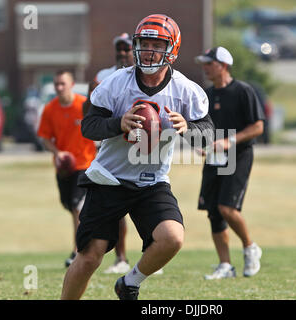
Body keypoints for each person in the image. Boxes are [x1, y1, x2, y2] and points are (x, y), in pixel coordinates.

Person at [60, 14, 214, 300]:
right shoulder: (116, 84)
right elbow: (89, 126)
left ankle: (129, 282)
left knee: (172, 238)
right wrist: (118, 124)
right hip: (109, 178)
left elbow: (207, 134)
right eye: (144, 44)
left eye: (157, 45)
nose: (148, 50)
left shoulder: (186, 90)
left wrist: (188, 128)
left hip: (151, 181)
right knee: (90, 256)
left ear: (172, 50)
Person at [194, 47, 265, 280]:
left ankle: (249, 247)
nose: (205, 67)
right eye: (203, 63)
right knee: (214, 212)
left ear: (223, 65)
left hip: (239, 155)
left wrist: (229, 141)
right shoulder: (206, 94)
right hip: (215, 157)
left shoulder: (243, 91)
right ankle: (225, 265)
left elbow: (258, 126)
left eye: (209, 63)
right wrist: (201, 144)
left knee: (228, 208)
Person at [82, 33, 135, 275]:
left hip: (141, 150)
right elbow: (88, 111)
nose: (123, 53)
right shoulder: (104, 77)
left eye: (127, 49)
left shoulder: (146, 77)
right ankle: (120, 257)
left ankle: (151, 255)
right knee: (115, 207)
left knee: (146, 202)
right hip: (109, 149)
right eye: (120, 49)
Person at [37, 70, 97, 267]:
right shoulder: (50, 109)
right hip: (63, 167)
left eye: (63, 83)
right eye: (56, 84)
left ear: (71, 84)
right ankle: (86, 243)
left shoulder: (83, 105)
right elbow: (45, 138)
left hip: (84, 164)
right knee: (68, 205)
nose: (59, 87)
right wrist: (57, 153)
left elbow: (98, 127)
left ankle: (77, 250)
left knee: (76, 207)